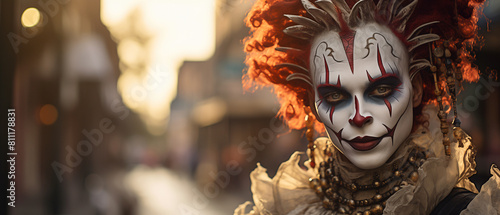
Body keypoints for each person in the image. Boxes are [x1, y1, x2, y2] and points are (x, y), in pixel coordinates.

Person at [234, 0, 500, 214]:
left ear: (417, 89)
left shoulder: (461, 209)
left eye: (381, 90)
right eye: (335, 96)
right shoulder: (286, 208)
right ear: (312, 104)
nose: (359, 116)